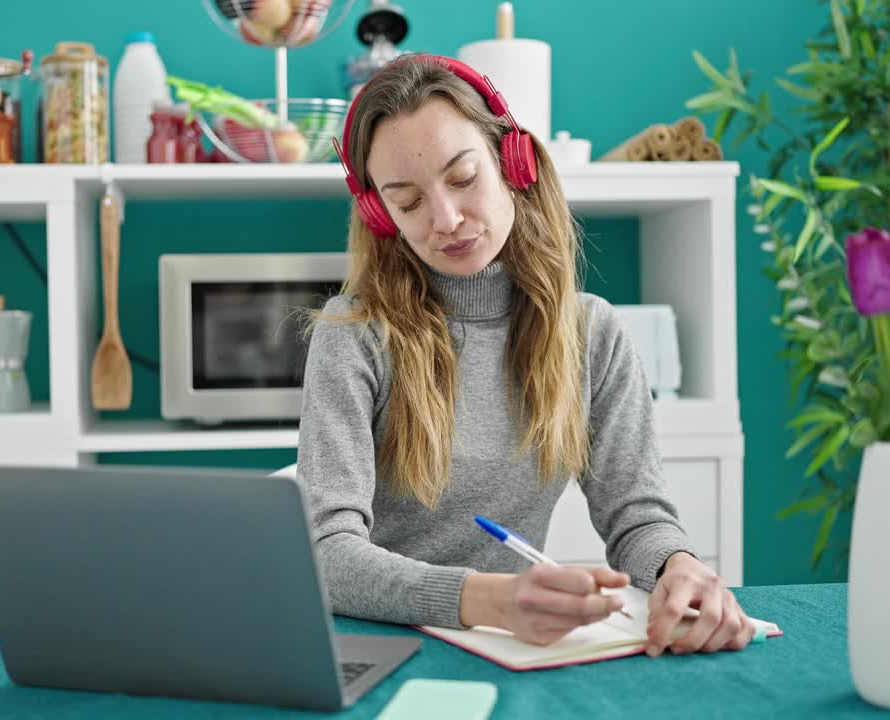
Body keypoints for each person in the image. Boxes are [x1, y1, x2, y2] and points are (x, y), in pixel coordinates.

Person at [296, 53, 756, 657]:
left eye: (462, 178)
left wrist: (678, 565)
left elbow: (637, 517)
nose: (447, 219)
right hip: (377, 647)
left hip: (513, 645)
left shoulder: (593, 333)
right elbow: (325, 554)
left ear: (514, 164)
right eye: (408, 203)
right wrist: (489, 601)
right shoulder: (353, 335)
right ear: (382, 217)